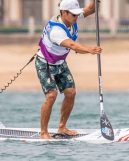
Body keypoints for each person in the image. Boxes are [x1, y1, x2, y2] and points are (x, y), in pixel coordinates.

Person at [35, 0, 102, 139]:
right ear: (64, 13)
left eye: (77, 15)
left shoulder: (71, 17)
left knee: (71, 93)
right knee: (51, 95)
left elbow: (91, 9)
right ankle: (43, 133)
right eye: (73, 15)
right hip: (45, 64)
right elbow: (72, 45)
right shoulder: (56, 30)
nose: (76, 17)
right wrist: (90, 49)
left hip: (60, 62)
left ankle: (62, 128)